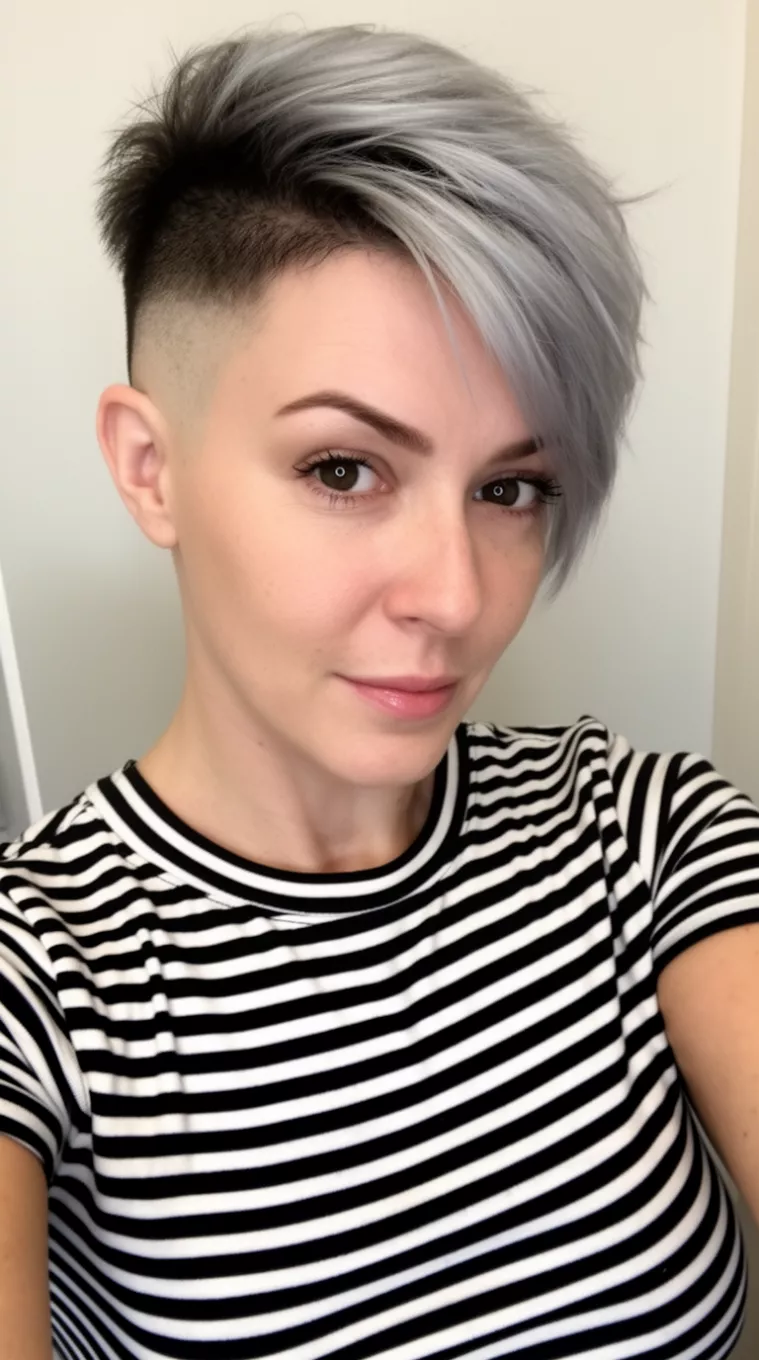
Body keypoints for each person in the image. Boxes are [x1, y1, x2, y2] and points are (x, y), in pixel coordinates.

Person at [1, 21, 757, 1360]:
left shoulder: (642, 836)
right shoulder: (42, 973)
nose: (457, 597)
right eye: (342, 469)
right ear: (149, 467)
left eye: (510, 488)